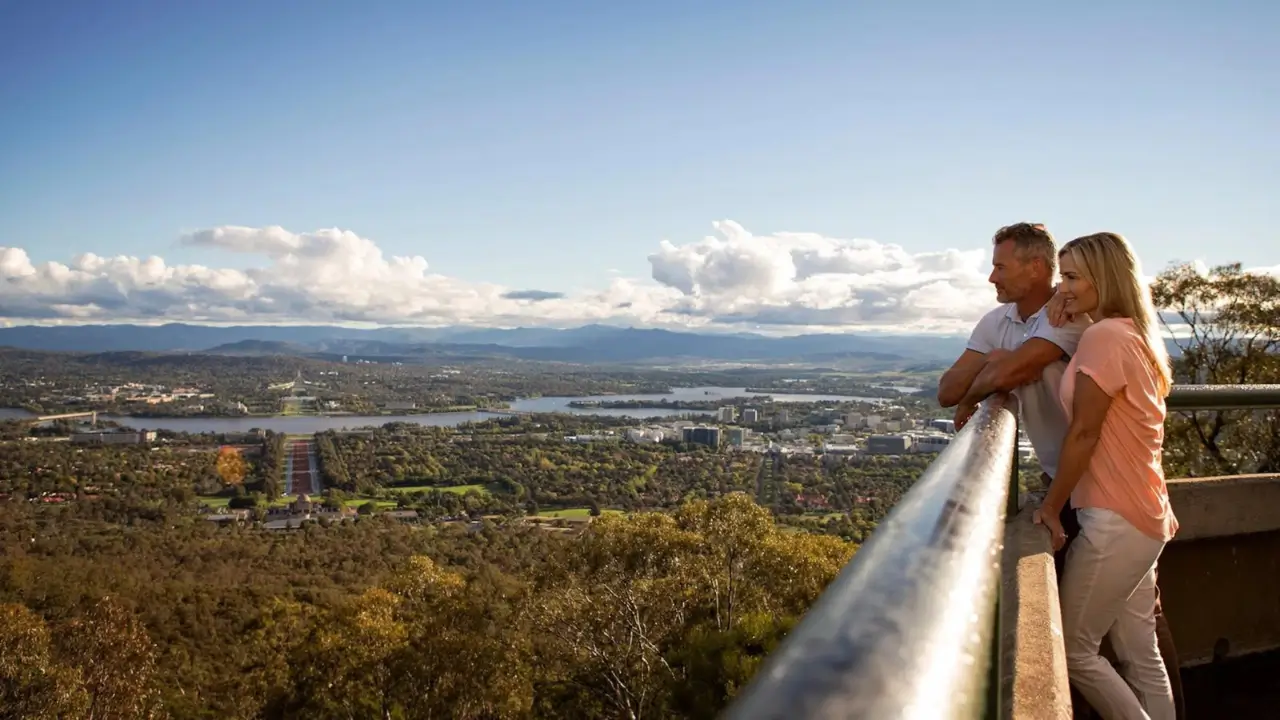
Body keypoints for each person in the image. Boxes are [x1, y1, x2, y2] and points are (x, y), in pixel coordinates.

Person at [1035, 231, 1179, 719]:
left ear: (1105, 278)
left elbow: (1083, 435)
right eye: (1061, 276)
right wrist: (1064, 299)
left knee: (1074, 653)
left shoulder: (1104, 338)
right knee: (1142, 654)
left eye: (1073, 276)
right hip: (1145, 515)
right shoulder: (1135, 334)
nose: (1064, 287)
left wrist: (1050, 507)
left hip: (1113, 518)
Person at [938, 223, 1091, 485]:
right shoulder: (996, 322)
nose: (992, 278)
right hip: (1060, 476)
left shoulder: (1067, 315)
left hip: (1095, 474)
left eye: (1001, 268)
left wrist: (971, 397)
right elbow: (947, 392)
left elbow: (1012, 371)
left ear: (1035, 267)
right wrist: (989, 359)